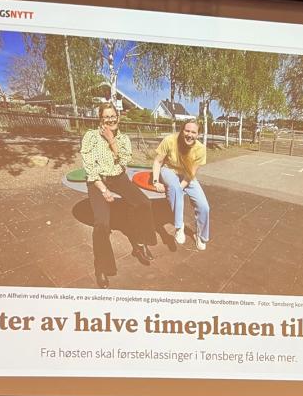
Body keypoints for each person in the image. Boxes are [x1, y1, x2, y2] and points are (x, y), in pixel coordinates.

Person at [81, 102, 157, 288]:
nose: (110, 119)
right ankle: (102, 267)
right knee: (101, 223)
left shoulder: (123, 138)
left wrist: (111, 140)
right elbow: (89, 168)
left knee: (143, 203)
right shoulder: (90, 137)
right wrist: (104, 190)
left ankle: (139, 244)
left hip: (118, 176)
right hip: (98, 180)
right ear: (100, 118)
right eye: (106, 116)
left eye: (113, 115)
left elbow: (124, 160)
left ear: (118, 117)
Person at [151, 120, 210, 251]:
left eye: (193, 132)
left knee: (204, 206)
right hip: (169, 170)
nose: (189, 134)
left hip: (187, 175)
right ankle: (179, 226)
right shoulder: (170, 140)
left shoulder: (200, 149)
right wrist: (155, 180)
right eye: (187, 131)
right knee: (174, 187)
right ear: (182, 131)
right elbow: (158, 161)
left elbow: (191, 174)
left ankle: (201, 235)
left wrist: (181, 187)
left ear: (198, 134)